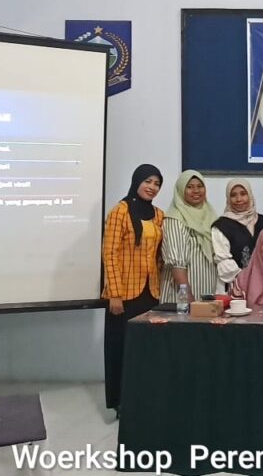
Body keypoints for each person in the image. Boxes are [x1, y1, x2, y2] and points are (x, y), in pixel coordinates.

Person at [102, 164, 164, 412]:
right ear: (136, 181)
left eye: (157, 184)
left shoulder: (158, 215)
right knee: (122, 348)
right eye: (148, 181)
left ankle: (143, 398)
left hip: (150, 293)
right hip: (125, 295)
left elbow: (158, 255)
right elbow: (109, 253)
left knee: (146, 351)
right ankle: (121, 402)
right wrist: (114, 294)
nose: (152, 187)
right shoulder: (120, 211)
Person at [161, 170, 219, 301]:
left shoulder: (211, 216)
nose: (196, 191)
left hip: (206, 290)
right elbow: (177, 263)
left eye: (200, 186)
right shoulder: (175, 219)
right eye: (189, 187)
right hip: (181, 295)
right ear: (181, 190)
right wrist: (187, 295)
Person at [211, 179, 263, 290]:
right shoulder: (221, 226)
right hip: (235, 287)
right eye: (233, 195)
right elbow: (224, 262)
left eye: (243, 194)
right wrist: (249, 280)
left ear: (250, 195)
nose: (239, 199)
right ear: (228, 199)